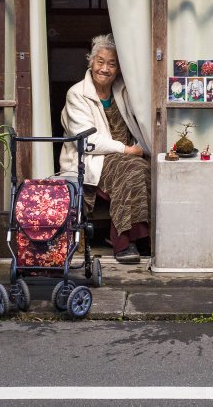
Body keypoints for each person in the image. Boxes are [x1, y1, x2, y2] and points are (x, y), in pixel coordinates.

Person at [61, 33, 151, 264]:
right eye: (100, 61)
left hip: (127, 156)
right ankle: (124, 242)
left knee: (147, 168)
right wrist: (126, 150)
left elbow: (142, 124)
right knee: (132, 167)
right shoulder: (77, 94)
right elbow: (87, 141)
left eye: (112, 64)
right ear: (91, 62)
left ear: (119, 69)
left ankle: (146, 237)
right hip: (92, 159)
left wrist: (141, 146)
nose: (105, 68)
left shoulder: (125, 92)